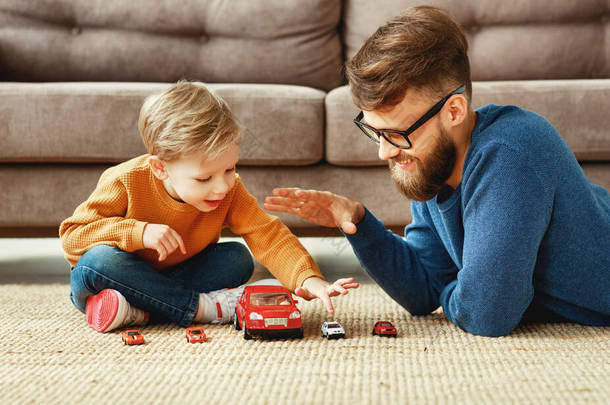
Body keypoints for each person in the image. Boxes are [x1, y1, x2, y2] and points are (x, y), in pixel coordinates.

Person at [264, 6, 610, 337]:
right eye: (375, 132)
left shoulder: (510, 153)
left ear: (454, 111)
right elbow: (424, 289)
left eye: (398, 134)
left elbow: (488, 314)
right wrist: (358, 223)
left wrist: (463, 290)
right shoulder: (434, 164)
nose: (384, 151)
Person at [60, 81, 358, 333]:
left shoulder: (229, 190)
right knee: (96, 261)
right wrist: (138, 232)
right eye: (204, 178)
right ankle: (199, 308)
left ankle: (140, 309)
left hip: (174, 277)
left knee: (237, 258)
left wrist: (308, 278)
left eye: (229, 169)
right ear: (160, 168)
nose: (222, 186)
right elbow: (72, 238)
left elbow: (268, 234)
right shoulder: (125, 180)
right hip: (113, 276)